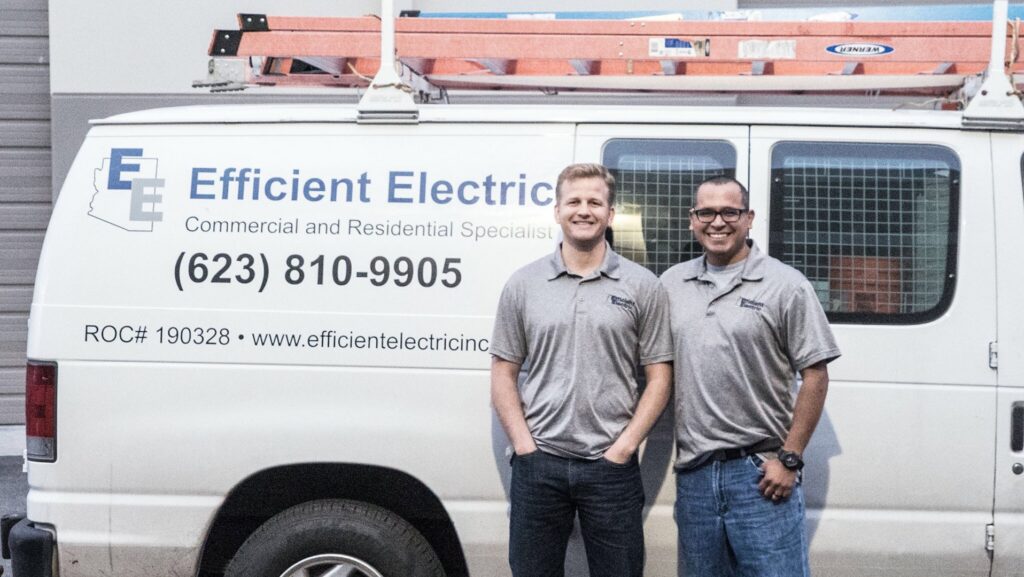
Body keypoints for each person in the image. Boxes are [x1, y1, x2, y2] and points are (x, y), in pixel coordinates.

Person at [490, 163, 673, 577]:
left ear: (611, 214)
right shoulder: (524, 284)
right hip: (540, 465)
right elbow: (503, 372)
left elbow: (660, 378)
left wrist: (623, 450)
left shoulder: (642, 286)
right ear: (557, 211)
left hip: (611, 468)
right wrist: (524, 448)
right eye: (574, 201)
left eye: (595, 202)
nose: (584, 210)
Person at [661, 176, 841, 577]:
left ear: (749, 218)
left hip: (760, 475)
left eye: (730, 211)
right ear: (692, 220)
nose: (717, 222)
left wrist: (789, 459)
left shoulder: (785, 284)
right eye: (706, 212)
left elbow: (815, 374)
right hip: (695, 475)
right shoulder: (672, 284)